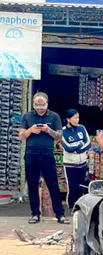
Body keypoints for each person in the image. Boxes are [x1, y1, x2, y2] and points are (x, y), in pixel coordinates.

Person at [19, 92, 69, 224]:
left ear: (47, 104)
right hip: (31, 154)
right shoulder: (27, 116)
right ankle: (35, 214)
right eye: (37, 105)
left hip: (47, 154)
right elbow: (21, 136)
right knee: (32, 185)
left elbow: (59, 137)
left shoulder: (54, 116)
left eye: (42, 105)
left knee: (53, 184)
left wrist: (48, 130)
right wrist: (30, 130)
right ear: (34, 104)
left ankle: (60, 214)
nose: (40, 108)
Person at [61, 109, 91, 215]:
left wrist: (78, 150)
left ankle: (80, 207)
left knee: (81, 187)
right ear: (68, 119)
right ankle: (71, 207)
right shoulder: (62, 131)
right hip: (70, 164)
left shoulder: (81, 128)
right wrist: (79, 145)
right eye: (75, 118)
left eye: (78, 117)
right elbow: (68, 147)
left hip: (82, 162)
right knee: (72, 187)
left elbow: (88, 143)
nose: (77, 120)